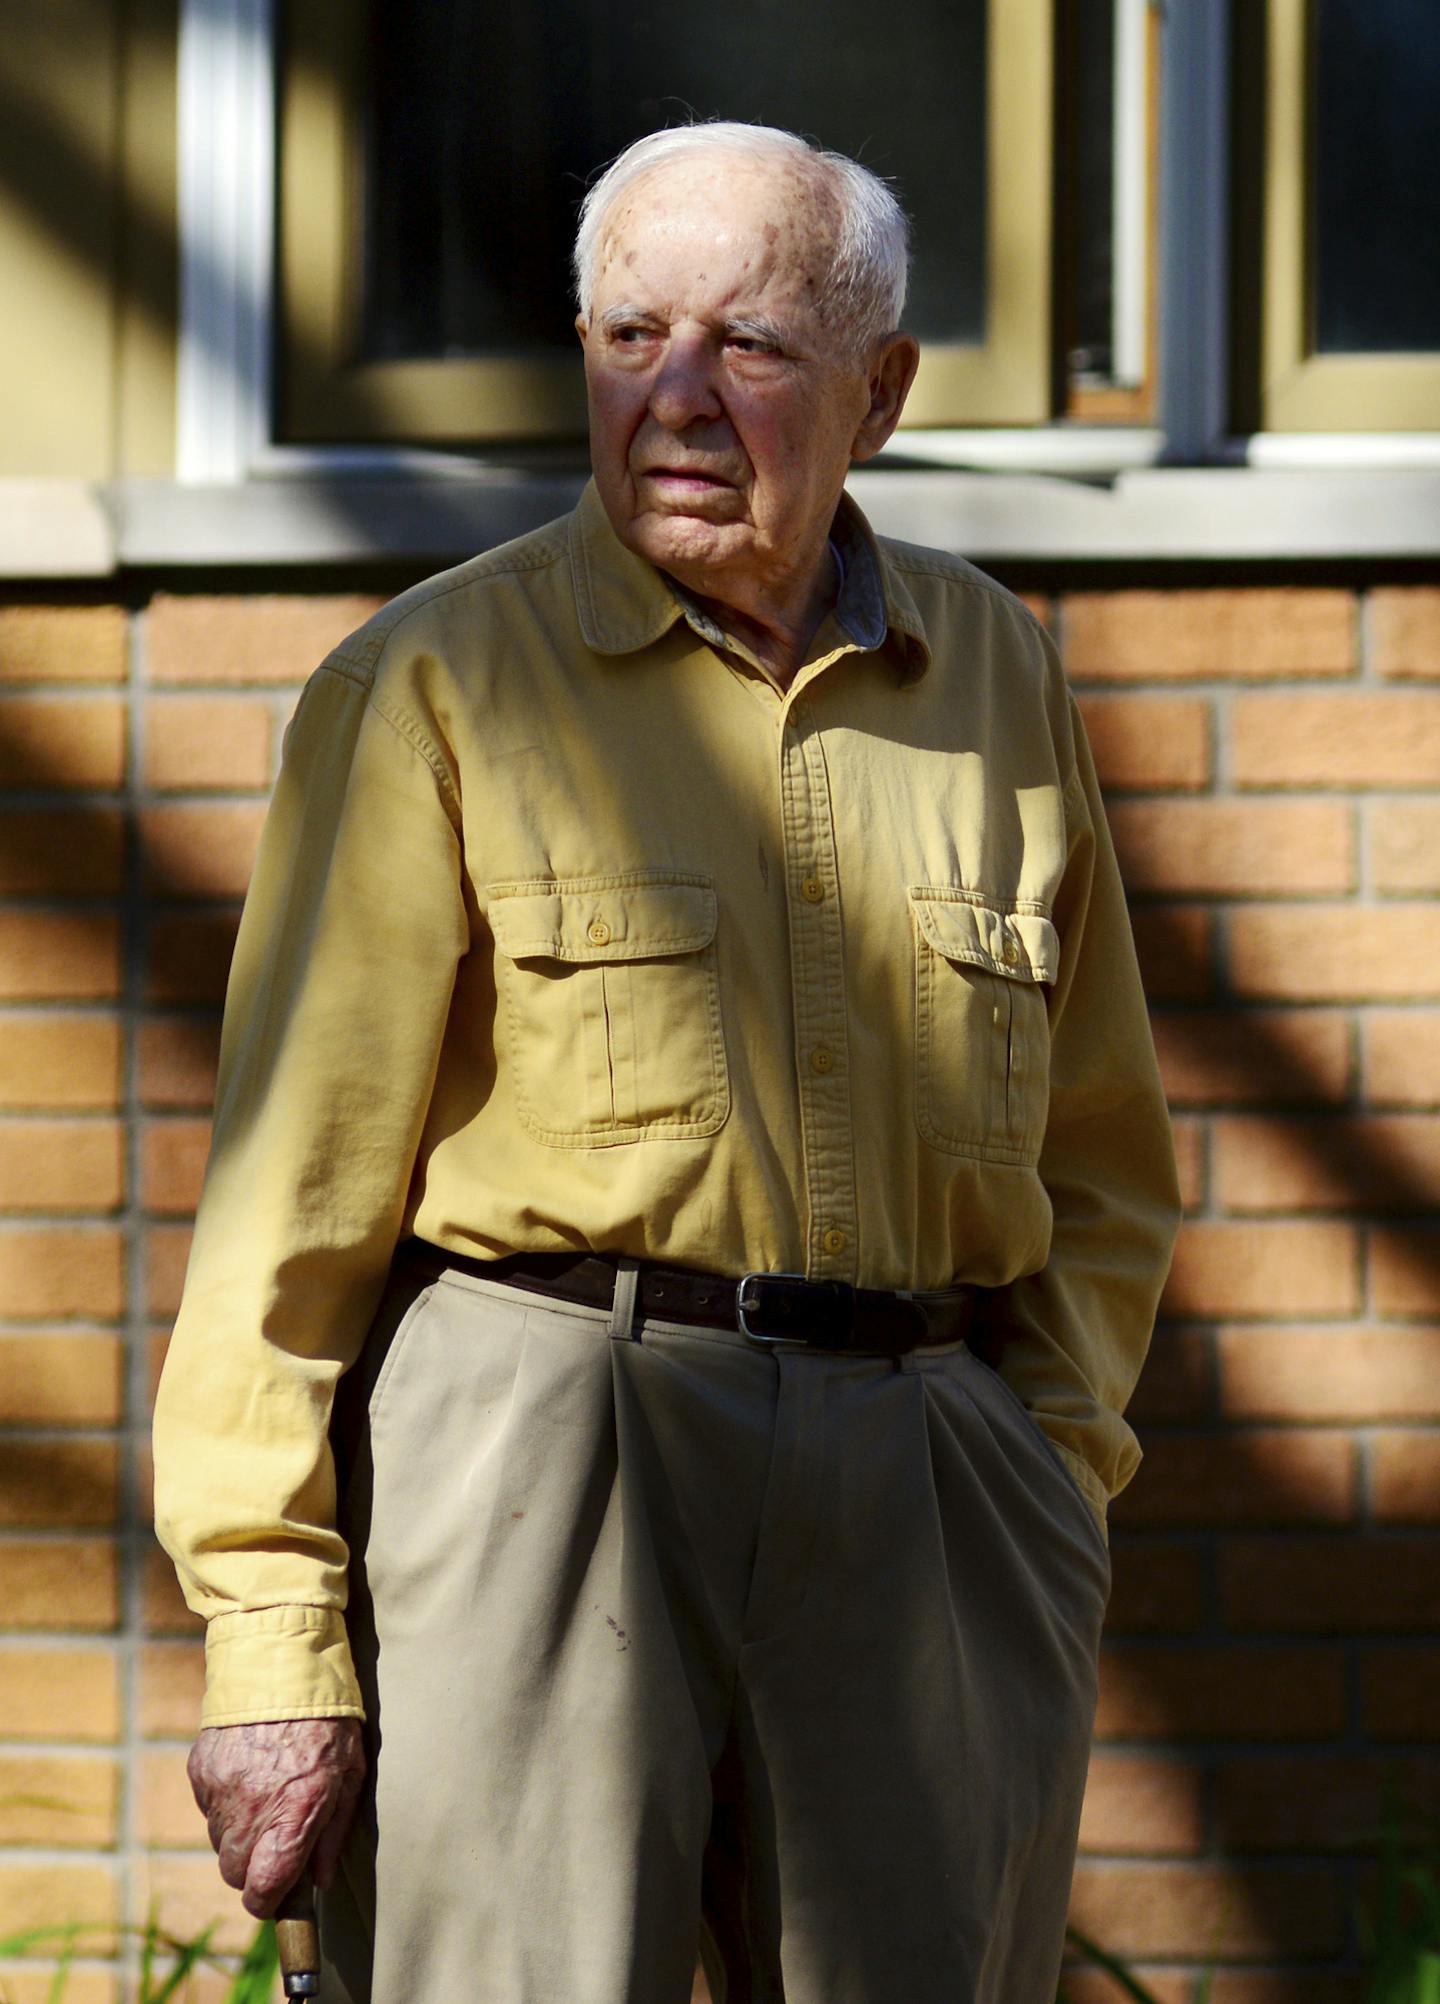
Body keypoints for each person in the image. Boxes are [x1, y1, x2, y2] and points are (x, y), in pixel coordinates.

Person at [154, 121, 1180, 2004]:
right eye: (632, 338)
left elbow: (1106, 1150)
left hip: (928, 1469)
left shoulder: (1000, 676)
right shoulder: (431, 689)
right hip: (542, 1444)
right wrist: (272, 1640)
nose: (681, 399)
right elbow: (284, 1214)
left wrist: (1039, 1472)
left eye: (753, 347)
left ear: (881, 393)